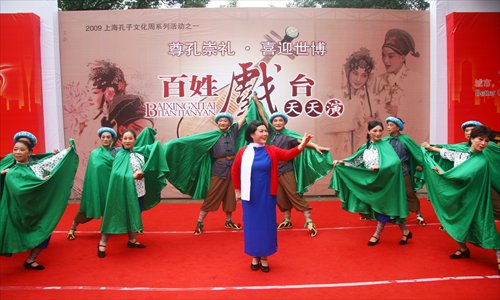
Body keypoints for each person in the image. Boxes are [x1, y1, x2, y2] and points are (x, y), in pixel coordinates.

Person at [231, 120, 313, 272]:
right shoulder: (243, 152)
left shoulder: (271, 150)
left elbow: (288, 155)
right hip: (250, 196)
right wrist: (237, 190)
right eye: (261, 131)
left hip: (267, 195)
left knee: (267, 226)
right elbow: (235, 171)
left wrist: (301, 146)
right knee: (252, 226)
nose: (265, 134)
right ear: (252, 134)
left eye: (265, 131)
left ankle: (264, 257)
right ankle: (254, 255)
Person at [421, 125, 500, 274]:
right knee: (455, 223)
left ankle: (498, 255)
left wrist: (443, 173)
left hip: (474, 200)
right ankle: (463, 249)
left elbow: (462, 176)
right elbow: (446, 153)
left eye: (486, 140)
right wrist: (429, 148)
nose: (483, 143)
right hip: (460, 197)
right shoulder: (461, 153)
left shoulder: (481, 161)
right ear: (471, 139)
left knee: (484, 225)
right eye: (480, 139)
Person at [164, 105, 252, 236]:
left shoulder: (233, 131)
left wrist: (252, 103)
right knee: (212, 195)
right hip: (219, 169)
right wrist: (171, 145)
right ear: (217, 123)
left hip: (233, 168)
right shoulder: (212, 136)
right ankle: (200, 222)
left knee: (230, 196)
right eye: (220, 121)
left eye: (225, 121)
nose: (223, 122)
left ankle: (229, 220)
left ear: (229, 123)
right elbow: (190, 142)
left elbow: (243, 118)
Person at [253, 97, 332, 237]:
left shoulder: (288, 136)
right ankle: (287, 219)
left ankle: (309, 221)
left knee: (294, 194)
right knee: (279, 196)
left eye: (280, 120)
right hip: (271, 171)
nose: (277, 122)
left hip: (286, 170)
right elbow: (263, 115)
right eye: (275, 120)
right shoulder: (268, 134)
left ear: (284, 122)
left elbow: (302, 142)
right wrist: (257, 102)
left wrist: (315, 145)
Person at [0, 138, 78, 270]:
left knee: (45, 230)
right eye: (15, 149)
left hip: (36, 210)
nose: (18, 152)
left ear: (30, 152)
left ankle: (31, 260)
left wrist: (68, 151)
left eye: (22, 149)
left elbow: (53, 163)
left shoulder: (35, 167)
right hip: (18, 213)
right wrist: (40, 183)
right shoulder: (11, 172)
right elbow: (21, 190)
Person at [331, 120, 411, 246]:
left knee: (384, 208)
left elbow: (395, 163)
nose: (378, 133)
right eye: (375, 131)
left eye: (380, 130)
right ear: (369, 131)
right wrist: (342, 162)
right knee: (388, 208)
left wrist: (380, 167)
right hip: (372, 182)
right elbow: (356, 161)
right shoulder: (366, 147)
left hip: (385, 182)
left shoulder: (385, 145)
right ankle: (405, 231)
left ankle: (376, 235)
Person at [97, 128, 167, 258]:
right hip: (122, 192)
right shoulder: (119, 155)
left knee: (135, 214)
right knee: (113, 215)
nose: (127, 141)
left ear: (135, 140)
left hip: (139, 191)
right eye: (125, 138)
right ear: (121, 141)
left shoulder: (139, 153)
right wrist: (133, 176)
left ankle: (132, 240)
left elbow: (150, 159)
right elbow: (116, 174)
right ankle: (102, 242)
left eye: (130, 138)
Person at [66, 127, 119, 240]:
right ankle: (73, 227)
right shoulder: (95, 154)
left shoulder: (118, 153)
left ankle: (111, 229)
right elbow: (92, 174)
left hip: (111, 187)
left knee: (110, 208)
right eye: (103, 137)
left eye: (108, 137)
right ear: (100, 139)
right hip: (96, 188)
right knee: (85, 210)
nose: (105, 139)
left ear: (112, 140)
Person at [372, 29, 424, 126]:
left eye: (391, 56)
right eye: (383, 55)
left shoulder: (416, 79)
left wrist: (400, 111)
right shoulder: (378, 81)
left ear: (402, 58)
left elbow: (423, 112)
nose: (386, 60)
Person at [384, 116, 426, 225]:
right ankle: (393, 213)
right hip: (390, 172)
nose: (388, 127)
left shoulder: (405, 139)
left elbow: (417, 152)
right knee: (392, 193)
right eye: (387, 125)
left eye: (391, 125)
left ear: (398, 127)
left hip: (403, 170)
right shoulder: (385, 141)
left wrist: (420, 164)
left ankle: (418, 214)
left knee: (409, 192)